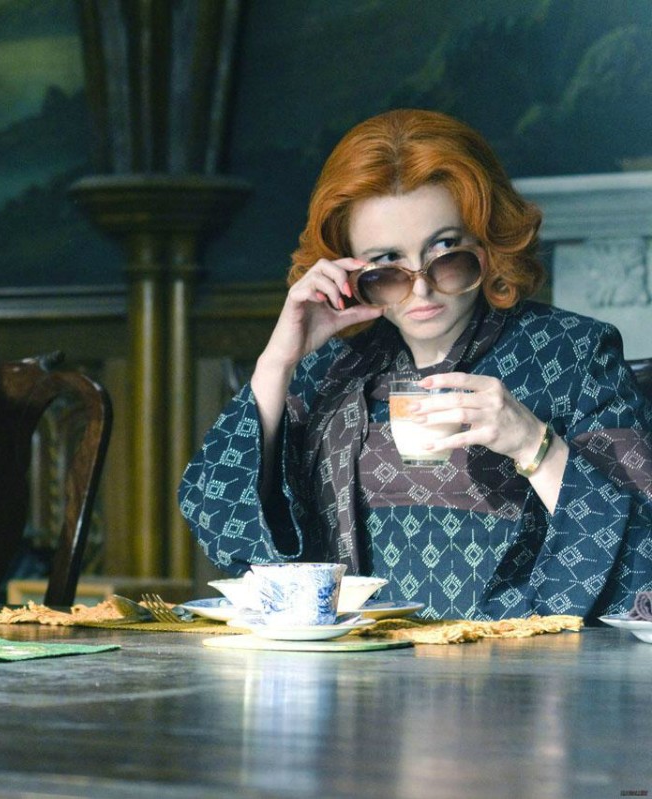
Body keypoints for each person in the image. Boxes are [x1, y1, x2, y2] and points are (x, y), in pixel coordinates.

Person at [179, 109, 652, 621]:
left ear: (486, 241)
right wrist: (278, 361)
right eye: (387, 266)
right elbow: (221, 526)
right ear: (349, 269)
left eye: (446, 252)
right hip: (354, 662)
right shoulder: (329, 370)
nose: (421, 289)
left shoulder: (574, 353)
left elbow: (642, 561)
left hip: (520, 660)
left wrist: (534, 446)